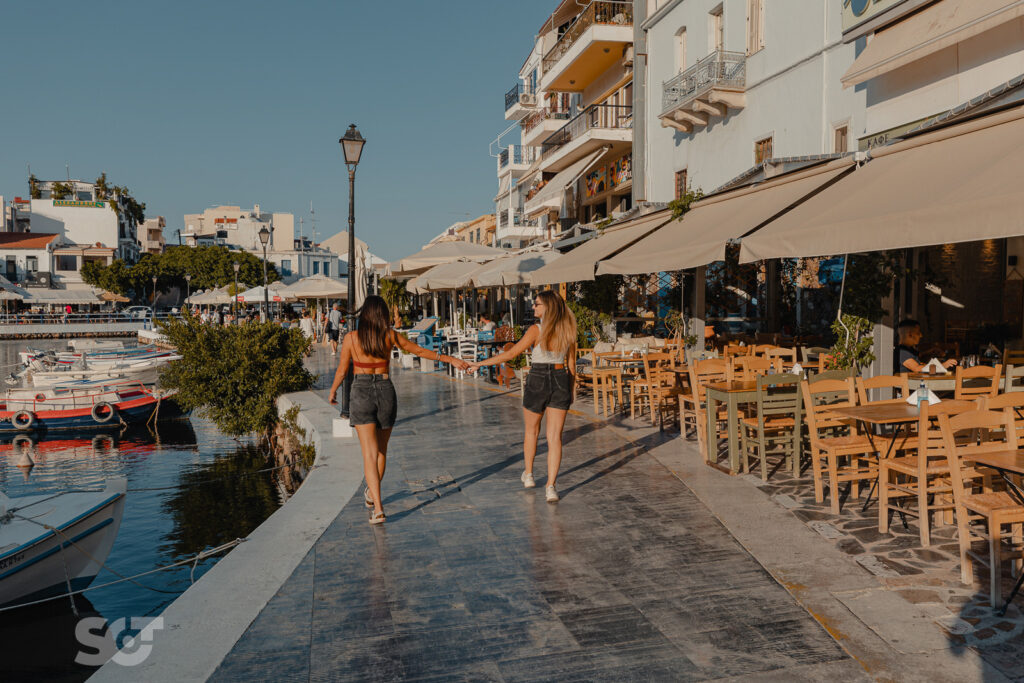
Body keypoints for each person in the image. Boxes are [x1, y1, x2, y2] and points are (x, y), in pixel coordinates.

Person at [329, 296, 470, 524]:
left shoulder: (351, 338)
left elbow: (342, 371)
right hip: (385, 390)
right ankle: (372, 496)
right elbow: (420, 351)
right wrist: (449, 359)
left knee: (368, 453)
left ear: (364, 314)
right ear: (382, 314)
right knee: (381, 451)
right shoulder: (390, 335)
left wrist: (333, 391)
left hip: (362, 392)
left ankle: (378, 507)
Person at [470, 290, 577, 503]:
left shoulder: (536, 330)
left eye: (537, 304)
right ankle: (551, 487)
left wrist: (478, 364)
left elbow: (511, 354)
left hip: (538, 376)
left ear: (547, 306)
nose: (534, 307)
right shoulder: (568, 328)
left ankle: (528, 474)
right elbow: (572, 365)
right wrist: (571, 390)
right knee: (555, 437)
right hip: (560, 377)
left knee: (532, 430)